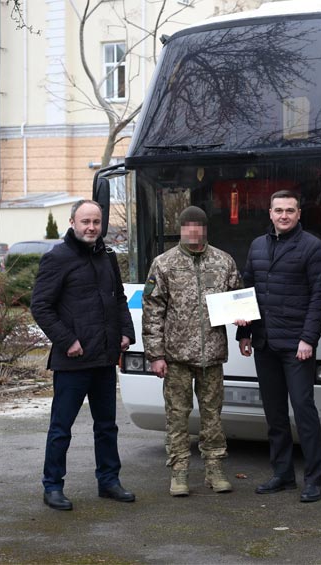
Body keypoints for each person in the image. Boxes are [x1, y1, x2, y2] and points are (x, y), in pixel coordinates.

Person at [31, 199, 136, 511]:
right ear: (72, 223)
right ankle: (52, 486)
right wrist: (67, 341)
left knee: (106, 426)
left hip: (104, 358)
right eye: (85, 222)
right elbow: (40, 306)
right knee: (61, 428)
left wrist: (126, 331)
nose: (91, 227)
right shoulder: (57, 258)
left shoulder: (107, 257)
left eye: (96, 222)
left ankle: (109, 481)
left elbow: (118, 298)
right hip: (73, 360)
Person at [142, 206, 243, 497]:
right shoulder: (164, 264)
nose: (194, 231)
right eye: (188, 226)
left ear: (205, 229)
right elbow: (153, 312)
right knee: (177, 416)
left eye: (199, 226)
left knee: (213, 416)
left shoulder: (223, 262)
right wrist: (155, 355)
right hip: (175, 357)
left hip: (211, 356)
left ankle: (214, 470)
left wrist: (242, 322)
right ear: (181, 229)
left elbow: (238, 298)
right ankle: (179, 472)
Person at [236, 190, 321, 503]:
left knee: (304, 411)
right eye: (279, 210)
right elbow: (247, 290)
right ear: (271, 213)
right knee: (274, 414)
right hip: (264, 343)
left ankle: (314, 480)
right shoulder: (258, 246)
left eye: (290, 210)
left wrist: (308, 339)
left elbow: (319, 297)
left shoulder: (312, 247)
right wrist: (244, 335)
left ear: (299, 213)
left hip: (296, 346)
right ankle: (283, 474)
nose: (284, 215)